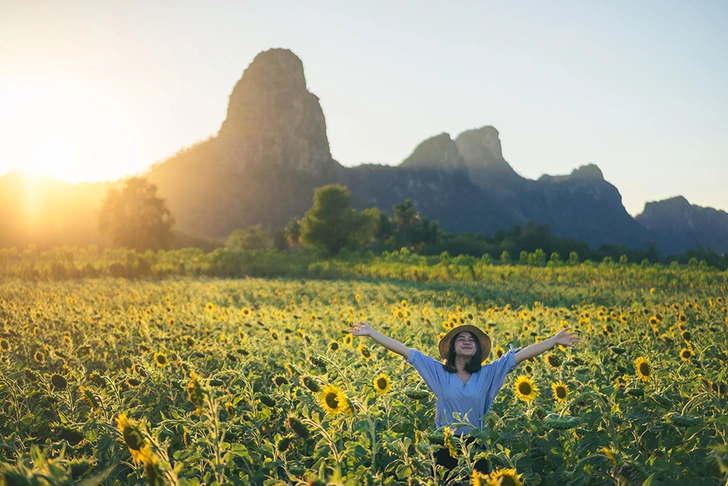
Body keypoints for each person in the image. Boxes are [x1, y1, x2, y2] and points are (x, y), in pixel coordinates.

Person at [350, 321, 580, 477]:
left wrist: (552, 341)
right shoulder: (438, 373)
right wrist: (372, 333)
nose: (468, 341)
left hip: (477, 446)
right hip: (444, 446)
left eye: (472, 339)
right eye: (461, 339)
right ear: (452, 348)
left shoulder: (489, 373)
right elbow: (405, 351)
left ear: (478, 349)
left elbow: (519, 356)